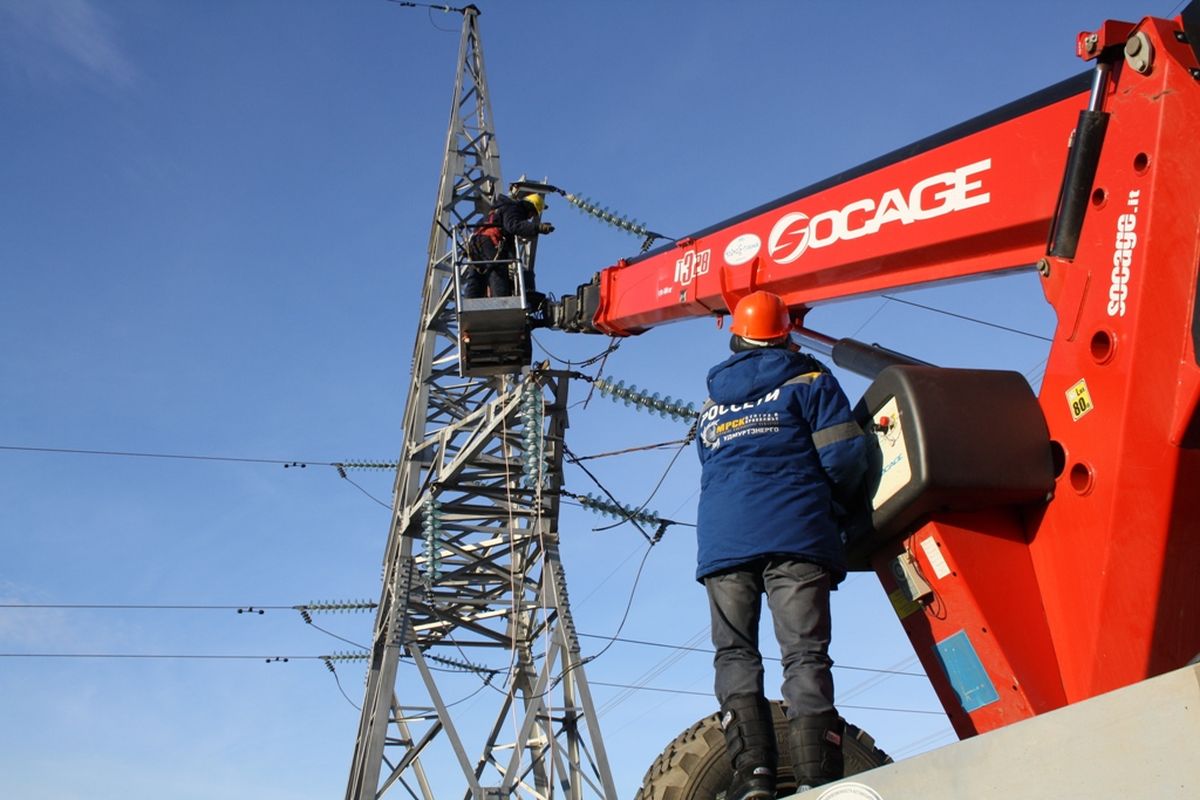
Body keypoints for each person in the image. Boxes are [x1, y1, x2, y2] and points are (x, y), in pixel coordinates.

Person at [695, 290, 868, 799]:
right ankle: (817, 779)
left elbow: (710, 468)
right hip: (796, 536)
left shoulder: (710, 406)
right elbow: (844, 457)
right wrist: (838, 508)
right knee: (804, 655)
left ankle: (752, 778)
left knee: (734, 654)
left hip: (724, 544)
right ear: (785, 333)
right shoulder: (810, 382)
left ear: (737, 334)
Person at [463, 192, 554, 300]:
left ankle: (470, 302)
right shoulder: (513, 209)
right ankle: (501, 302)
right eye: (532, 213)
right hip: (490, 241)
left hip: (475, 244)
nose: (530, 217)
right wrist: (538, 228)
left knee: (477, 277)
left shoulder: (499, 210)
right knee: (498, 273)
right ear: (529, 207)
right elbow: (514, 226)